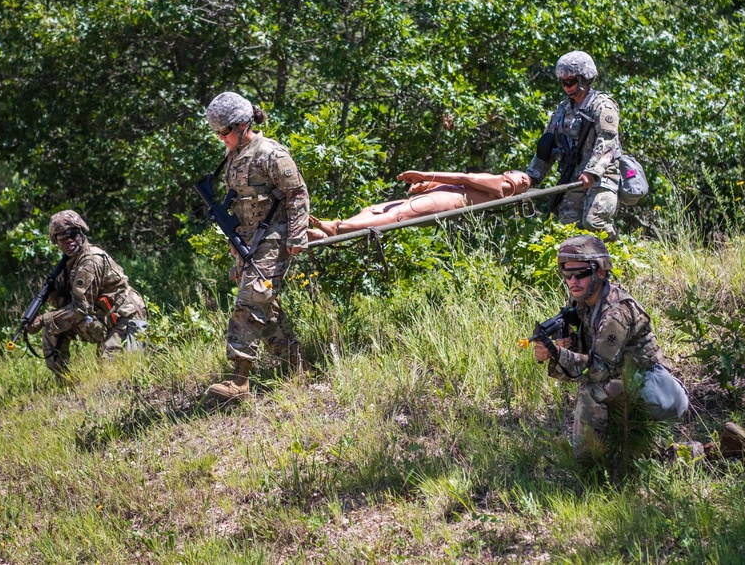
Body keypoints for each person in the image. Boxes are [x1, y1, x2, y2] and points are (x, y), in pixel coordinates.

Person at [533, 235, 688, 457]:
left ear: (601, 272)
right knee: (645, 457)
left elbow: (596, 370)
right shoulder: (580, 302)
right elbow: (587, 355)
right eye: (567, 274)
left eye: (582, 273)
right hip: (629, 382)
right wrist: (559, 348)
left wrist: (557, 354)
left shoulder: (616, 312)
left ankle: (587, 466)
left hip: (657, 389)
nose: (573, 281)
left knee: (592, 391)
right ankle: (643, 453)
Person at [204, 92, 311, 401]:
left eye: (224, 131)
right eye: (218, 133)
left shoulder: (271, 153)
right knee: (266, 305)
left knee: (250, 302)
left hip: (275, 236)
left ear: (242, 125)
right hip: (248, 241)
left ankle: (239, 381)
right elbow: (238, 204)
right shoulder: (233, 156)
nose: (221, 138)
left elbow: (297, 194)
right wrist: (235, 245)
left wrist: (296, 236)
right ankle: (298, 367)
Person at [27, 210, 147, 379]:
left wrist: (42, 320)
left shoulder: (90, 261)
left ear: (81, 233)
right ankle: (66, 382)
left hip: (125, 317)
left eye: (73, 234)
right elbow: (68, 303)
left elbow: (80, 309)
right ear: (56, 242)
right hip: (101, 316)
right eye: (62, 238)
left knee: (115, 375)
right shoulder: (69, 263)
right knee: (52, 328)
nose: (69, 241)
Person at [526, 51, 621, 240]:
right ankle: (577, 268)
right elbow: (547, 147)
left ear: (585, 78)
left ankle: (620, 259)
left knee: (594, 222)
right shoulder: (562, 110)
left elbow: (607, 141)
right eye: (563, 82)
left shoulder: (602, 105)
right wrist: (531, 178)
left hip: (602, 178)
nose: (567, 87)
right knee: (566, 229)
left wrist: (593, 171)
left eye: (571, 82)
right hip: (573, 178)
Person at [308, 170, 532, 239]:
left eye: (525, 183)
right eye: (522, 177)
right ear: (508, 172)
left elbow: (463, 179)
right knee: (374, 209)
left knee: (398, 214)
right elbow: (462, 184)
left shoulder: (501, 186)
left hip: (447, 201)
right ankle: (330, 234)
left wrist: (426, 174)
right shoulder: (498, 182)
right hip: (440, 196)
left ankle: (338, 227)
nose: (522, 181)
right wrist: (425, 185)